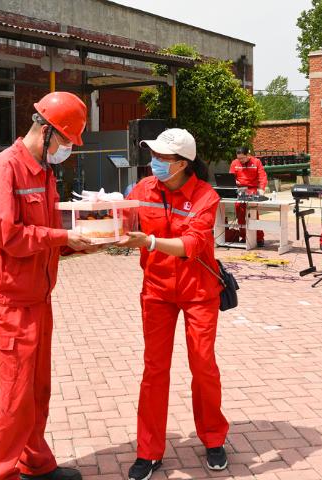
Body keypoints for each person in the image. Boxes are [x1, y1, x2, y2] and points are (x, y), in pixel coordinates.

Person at [0, 92, 93, 480]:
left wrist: (77, 244)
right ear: (45, 131)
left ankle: (35, 464)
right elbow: (8, 235)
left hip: (37, 298)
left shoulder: (44, 171)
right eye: (65, 142)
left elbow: (48, 233)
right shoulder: (3, 170)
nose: (66, 151)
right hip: (7, 303)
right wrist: (61, 239)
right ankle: (0, 475)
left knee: (36, 391)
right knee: (13, 398)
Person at [117, 128, 229, 478]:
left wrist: (148, 242)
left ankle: (213, 438)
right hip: (157, 291)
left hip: (198, 292)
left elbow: (190, 245)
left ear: (182, 163)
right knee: (154, 369)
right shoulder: (142, 190)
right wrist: (99, 218)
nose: (155, 163)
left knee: (203, 365)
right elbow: (120, 224)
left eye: (162, 158)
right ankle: (148, 451)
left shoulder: (205, 196)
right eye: (153, 156)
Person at [229, 146, 268, 246]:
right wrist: (234, 181)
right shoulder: (234, 163)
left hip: (253, 189)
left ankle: (259, 238)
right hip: (240, 189)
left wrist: (261, 189)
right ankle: (243, 236)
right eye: (239, 158)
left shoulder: (256, 162)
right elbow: (230, 176)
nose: (240, 160)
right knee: (239, 210)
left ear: (248, 155)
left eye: (242, 158)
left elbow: (262, 176)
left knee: (253, 213)